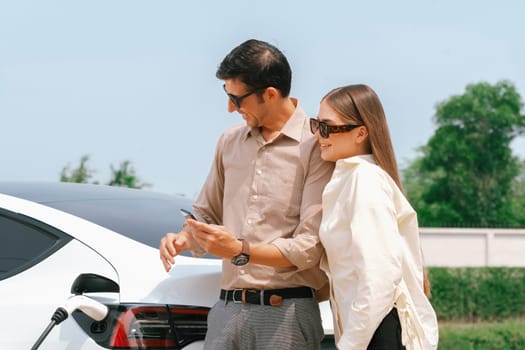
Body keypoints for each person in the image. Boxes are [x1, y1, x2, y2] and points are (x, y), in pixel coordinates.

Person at [159, 39, 334, 350]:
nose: (230, 108)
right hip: (227, 311)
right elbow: (206, 214)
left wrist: (240, 250)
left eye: (237, 99)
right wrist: (184, 238)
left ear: (269, 93)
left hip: (287, 315)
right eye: (227, 96)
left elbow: (309, 248)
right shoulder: (229, 142)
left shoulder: (317, 145)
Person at [310, 84, 439, 349]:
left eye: (326, 126)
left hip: (379, 331)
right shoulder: (349, 178)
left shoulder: (364, 179)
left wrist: (350, 345)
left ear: (360, 133)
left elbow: (379, 276)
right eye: (315, 124)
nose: (317, 135)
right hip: (372, 328)